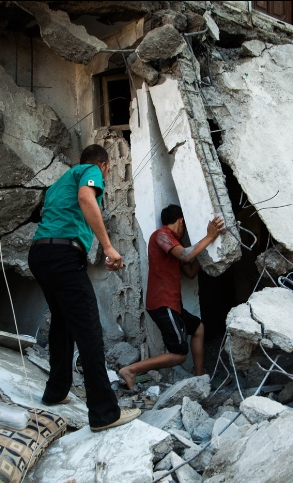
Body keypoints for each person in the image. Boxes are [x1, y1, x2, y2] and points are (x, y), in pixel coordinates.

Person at [28, 144, 141, 432]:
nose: (105, 177)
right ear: (104, 165)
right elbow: (85, 197)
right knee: (89, 329)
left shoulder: (58, 184)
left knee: (62, 323)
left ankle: (56, 391)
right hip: (63, 255)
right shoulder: (91, 170)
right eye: (108, 171)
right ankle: (104, 413)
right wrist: (108, 246)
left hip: (40, 254)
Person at [118, 205, 225, 390]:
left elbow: (190, 272)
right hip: (163, 303)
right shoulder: (161, 235)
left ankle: (200, 376)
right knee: (179, 354)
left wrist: (208, 251)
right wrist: (210, 236)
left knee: (198, 328)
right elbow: (185, 255)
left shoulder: (175, 244)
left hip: (172, 304)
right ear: (181, 221)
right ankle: (130, 370)